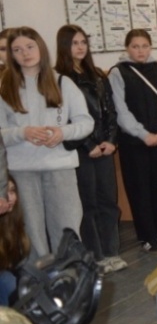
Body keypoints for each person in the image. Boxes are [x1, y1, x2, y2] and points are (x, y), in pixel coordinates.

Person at [0, 27, 93, 257]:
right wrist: (23, 132)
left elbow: (85, 122)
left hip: (59, 167)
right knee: (31, 233)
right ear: (11, 55)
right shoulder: (4, 86)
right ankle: (37, 277)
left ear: (40, 48)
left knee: (67, 228)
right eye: (17, 50)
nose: (25, 53)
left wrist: (62, 132)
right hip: (22, 171)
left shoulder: (63, 82)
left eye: (30, 47)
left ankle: (69, 275)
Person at [54, 24, 125, 272]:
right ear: (64, 46)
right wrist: (89, 145)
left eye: (83, 42)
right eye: (75, 43)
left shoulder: (97, 74)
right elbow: (65, 118)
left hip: (105, 147)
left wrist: (111, 140)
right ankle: (96, 256)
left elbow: (110, 111)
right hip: (81, 151)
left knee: (108, 201)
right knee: (88, 204)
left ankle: (112, 252)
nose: (80, 47)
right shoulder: (60, 79)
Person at [109, 29, 157, 252]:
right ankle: (148, 236)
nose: (140, 51)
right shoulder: (118, 73)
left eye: (144, 46)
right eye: (135, 46)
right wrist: (144, 135)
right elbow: (121, 110)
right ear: (127, 48)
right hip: (134, 143)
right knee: (139, 188)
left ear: (150, 47)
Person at [0, 178, 27, 305]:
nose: (9, 198)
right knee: (7, 281)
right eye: (4, 193)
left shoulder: (14, 224)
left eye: (12, 191)